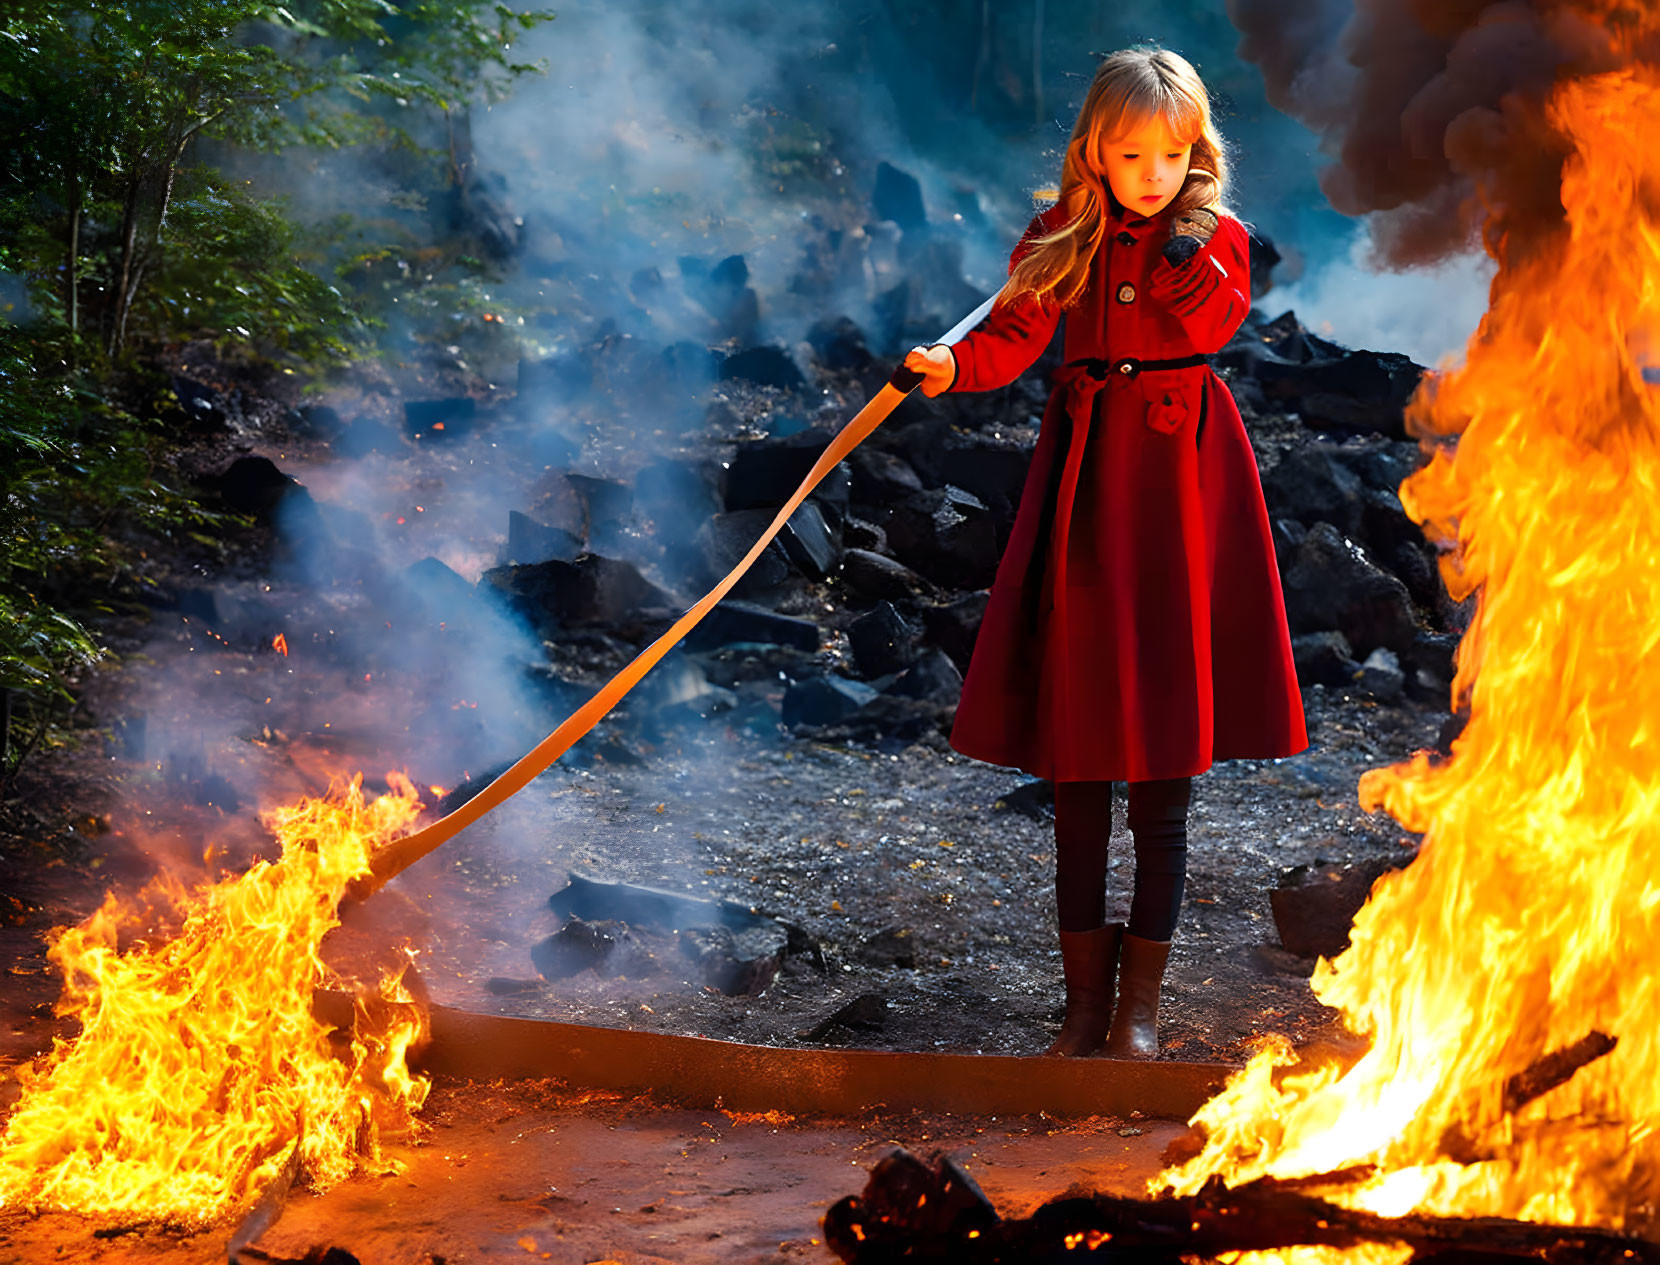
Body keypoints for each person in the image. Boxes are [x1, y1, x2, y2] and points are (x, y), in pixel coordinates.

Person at [903, 46, 1307, 1059]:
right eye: (1131, 156)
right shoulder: (1060, 234)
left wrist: (1185, 241)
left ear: (1193, 152)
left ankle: (1136, 1012)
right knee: (1079, 764)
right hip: (1086, 489)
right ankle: (1082, 1005)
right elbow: (1013, 333)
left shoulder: (1215, 240)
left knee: (1163, 765)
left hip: (1180, 485)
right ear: (1096, 149)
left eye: (1170, 156)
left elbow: (1214, 315)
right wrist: (952, 365)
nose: (1151, 175)